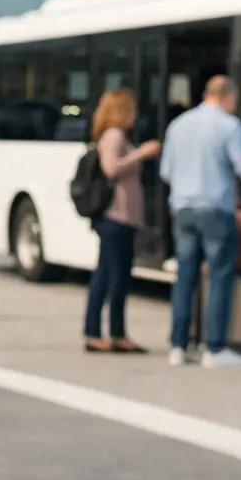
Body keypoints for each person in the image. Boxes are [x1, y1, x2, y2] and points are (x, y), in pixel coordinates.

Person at [158, 75, 241, 368]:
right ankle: (214, 348)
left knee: (185, 278)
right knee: (219, 277)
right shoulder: (229, 126)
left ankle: (178, 346)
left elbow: (166, 172)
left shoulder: (178, 125)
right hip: (216, 211)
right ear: (227, 96)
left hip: (183, 210)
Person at [82, 88, 161, 353]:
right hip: (116, 216)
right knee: (114, 277)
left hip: (119, 217)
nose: (135, 114)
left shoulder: (115, 136)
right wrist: (141, 154)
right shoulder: (114, 136)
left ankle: (105, 332)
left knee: (109, 275)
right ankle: (105, 333)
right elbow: (111, 169)